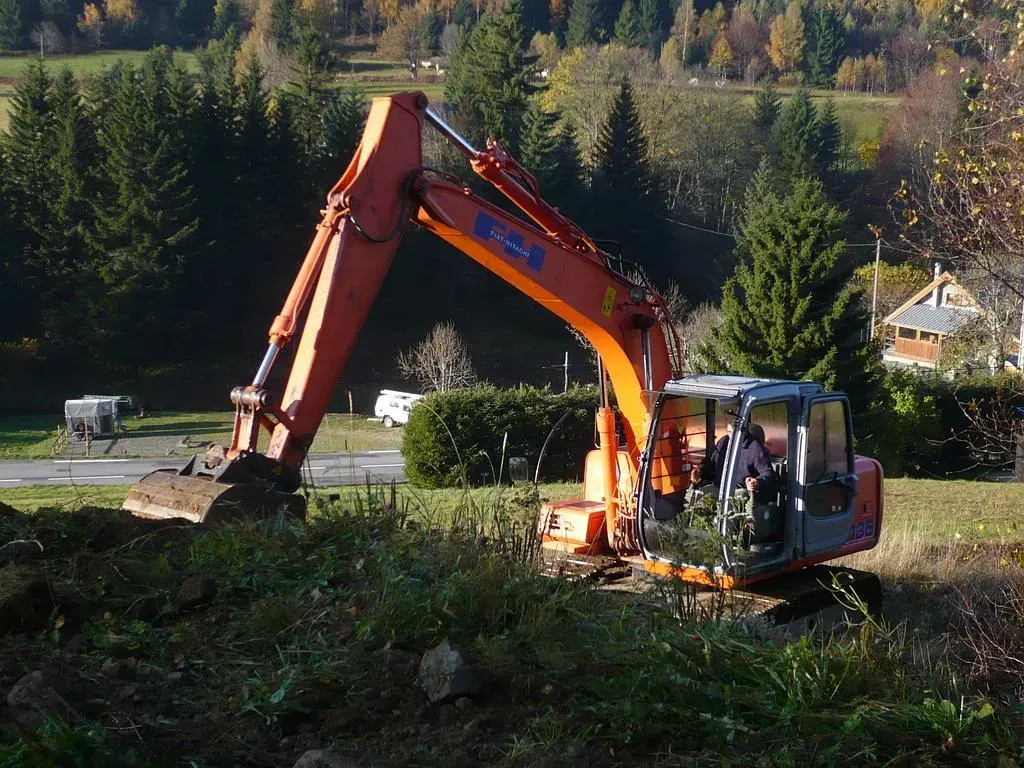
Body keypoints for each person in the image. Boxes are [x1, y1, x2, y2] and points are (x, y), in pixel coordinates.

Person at [690, 421, 774, 497]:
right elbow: (711, 463)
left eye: (735, 432)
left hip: (740, 493)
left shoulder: (756, 449)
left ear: (744, 431)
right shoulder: (724, 442)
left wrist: (757, 482)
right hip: (719, 489)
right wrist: (700, 471)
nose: (731, 436)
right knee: (698, 495)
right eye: (729, 432)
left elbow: (768, 473)